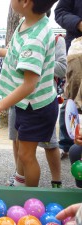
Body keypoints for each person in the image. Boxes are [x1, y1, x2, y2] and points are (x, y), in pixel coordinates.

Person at [0, 0, 59, 187]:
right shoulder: (29, 21)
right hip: (27, 103)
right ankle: (21, 183)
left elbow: (29, 85)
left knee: (26, 155)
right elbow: (20, 52)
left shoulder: (35, 38)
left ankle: (31, 198)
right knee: (22, 148)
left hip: (36, 106)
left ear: (25, 2)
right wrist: (2, 52)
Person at [7, 10, 67, 187]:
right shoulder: (22, 31)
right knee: (20, 144)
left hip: (39, 100)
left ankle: (54, 182)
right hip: (20, 100)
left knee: (47, 145)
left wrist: (38, 62)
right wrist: (4, 53)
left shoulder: (49, 36)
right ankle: (19, 178)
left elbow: (62, 68)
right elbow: (17, 56)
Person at [55, 0, 82, 159]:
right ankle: (65, 143)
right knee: (71, 98)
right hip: (77, 51)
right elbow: (60, 13)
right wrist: (78, 23)